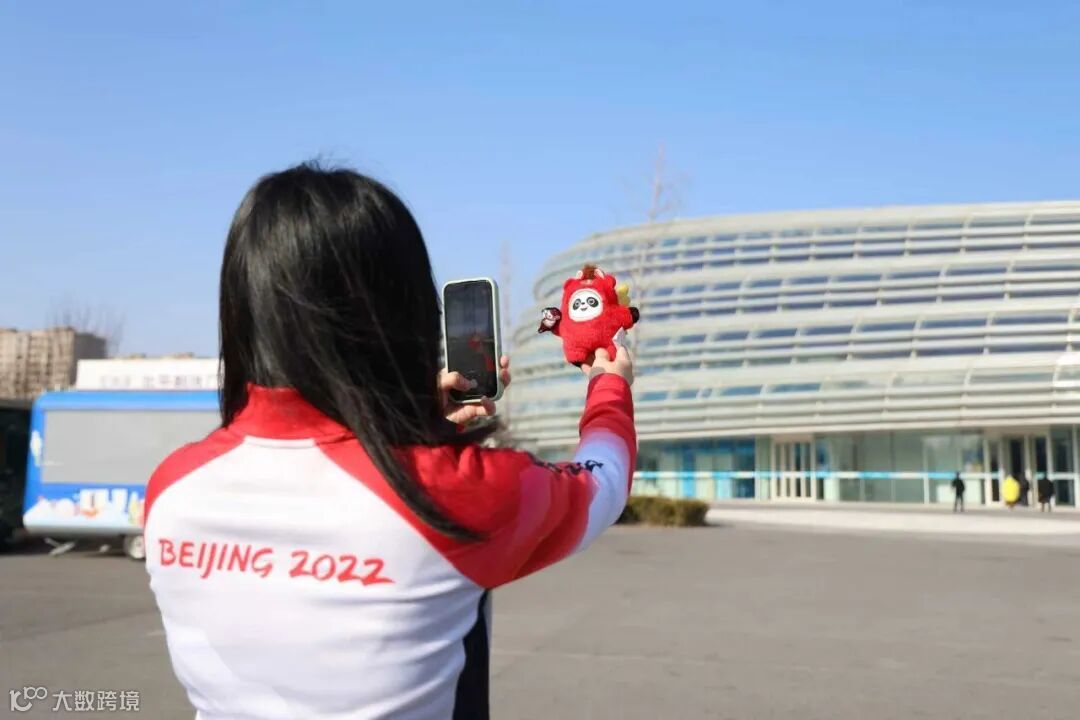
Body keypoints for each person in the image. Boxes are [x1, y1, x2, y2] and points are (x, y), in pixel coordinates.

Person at [143, 163, 637, 720]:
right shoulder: (449, 494)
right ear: (403, 309)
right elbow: (603, 482)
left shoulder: (171, 490)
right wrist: (609, 384)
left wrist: (407, 422)